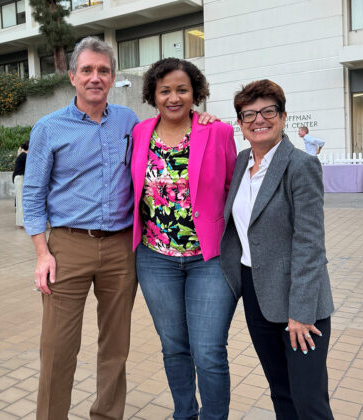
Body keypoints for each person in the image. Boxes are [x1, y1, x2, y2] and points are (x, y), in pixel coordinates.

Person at [22, 37, 140, 420]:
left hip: (121, 249)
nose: (95, 77)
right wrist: (42, 254)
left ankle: (107, 415)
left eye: (103, 70)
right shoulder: (48, 128)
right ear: (72, 76)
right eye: (87, 70)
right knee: (57, 347)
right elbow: (34, 195)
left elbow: (172, 133)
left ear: (113, 77)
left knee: (115, 346)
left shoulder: (129, 122)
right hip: (67, 248)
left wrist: (201, 117)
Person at [220, 79, 335, 420]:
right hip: (256, 294)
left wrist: (300, 312)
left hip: (300, 302)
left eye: (268, 111)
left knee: (309, 400)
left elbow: (310, 243)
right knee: (281, 392)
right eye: (249, 114)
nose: (259, 119)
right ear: (240, 124)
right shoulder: (241, 163)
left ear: (284, 117)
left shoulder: (300, 166)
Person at [131, 58, 238, 420]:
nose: (173, 97)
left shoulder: (218, 132)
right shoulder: (140, 132)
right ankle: (184, 415)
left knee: (208, 351)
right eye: (165, 91)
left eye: (182, 89)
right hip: (154, 258)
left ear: (196, 93)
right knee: (174, 347)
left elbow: (232, 189)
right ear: (153, 95)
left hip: (208, 259)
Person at [12, 141, 29, 227]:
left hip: (19, 178)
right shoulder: (24, 156)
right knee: (21, 201)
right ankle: (21, 223)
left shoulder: (23, 155)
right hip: (20, 178)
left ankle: (21, 222)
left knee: (21, 200)